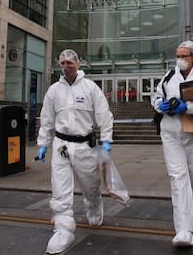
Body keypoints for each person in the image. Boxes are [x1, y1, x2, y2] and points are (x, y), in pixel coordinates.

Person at [36, 49, 114, 254]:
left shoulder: (90, 88)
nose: (66, 66)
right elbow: (47, 118)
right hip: (61, 145)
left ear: (78, 64)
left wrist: (106, 140)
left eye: (70, 62)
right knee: (60, 188)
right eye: (62, 62)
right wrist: (43, 143)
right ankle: (63, 229)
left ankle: (95, 206)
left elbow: (104, 114)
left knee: (90, 186)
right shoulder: (54, 90)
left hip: (84, 145)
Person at [151, 40, 193, 247]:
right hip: (170, 133)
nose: (180, 59)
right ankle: (182, 229)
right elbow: (156, 97)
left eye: (184, 56)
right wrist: (160, 106)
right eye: (177, 55)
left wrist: (187, 107)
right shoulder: (169, 76)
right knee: (177, 177)